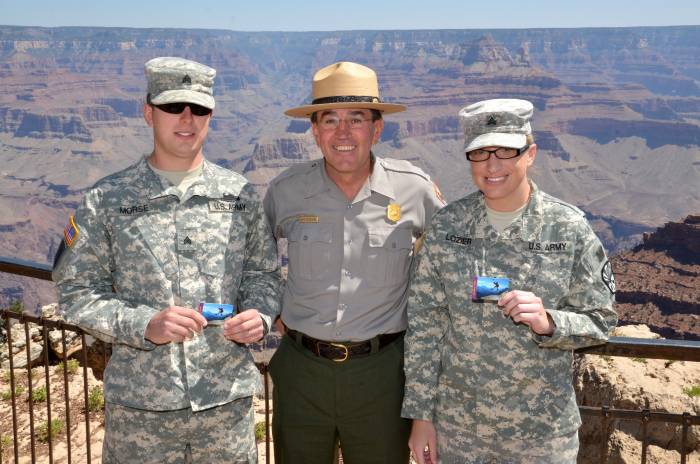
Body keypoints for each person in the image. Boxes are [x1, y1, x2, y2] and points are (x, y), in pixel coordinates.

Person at [52, 57, 280, 464]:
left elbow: (262, 274)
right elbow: (76, 292)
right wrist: (145, 324)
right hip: (142, 415)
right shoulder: (108, 200)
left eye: (199, 108)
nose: (187, 119)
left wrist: (259, 315)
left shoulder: (239, 196)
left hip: (225, 410)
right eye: (173, 107)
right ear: (148, 112)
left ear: (211, 115)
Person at [402, 99, 618, 464]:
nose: (492, 165)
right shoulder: (447, 226)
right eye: (480, 153)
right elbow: (425, 326)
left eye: (505, 151)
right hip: (459, 433)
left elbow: (601, 321)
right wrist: (421, 416)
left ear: (530, 153)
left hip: (541, 437)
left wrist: (551, 322)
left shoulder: (568, 229)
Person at [264, 61, 445, 464]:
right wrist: (272, 308)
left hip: (382, 374)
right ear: (314, 130)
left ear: (377, 128)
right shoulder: (285, 192)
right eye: (329, 120)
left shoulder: (414, 190)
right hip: (301, 372)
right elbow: (252, 261)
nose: (342, 133)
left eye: (357, 119)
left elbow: (451, 269)